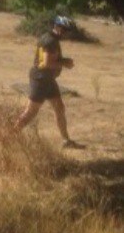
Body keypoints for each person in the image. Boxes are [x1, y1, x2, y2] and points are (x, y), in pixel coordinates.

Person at [13, 15, 84, 149]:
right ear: (56, 27)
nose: (64, 33)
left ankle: (66, 141)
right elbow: (46, 63)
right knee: (31, 112)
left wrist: (63, 62)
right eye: (63, 29)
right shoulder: (50, 41)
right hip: (41, 78)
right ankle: (10, 135)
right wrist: (65, 63)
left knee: (59, 107)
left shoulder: (51, 39)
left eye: (67, 30)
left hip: (48, 79)